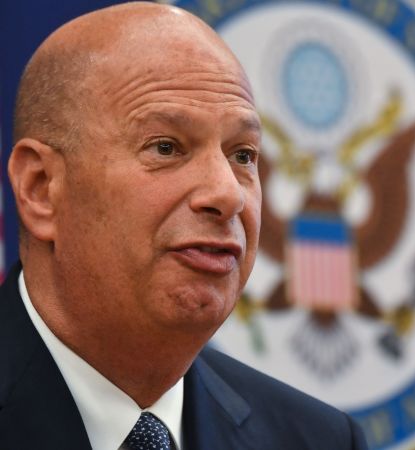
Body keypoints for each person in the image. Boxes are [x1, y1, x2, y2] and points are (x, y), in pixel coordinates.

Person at [0, 2, 368, 449]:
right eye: (166, 148)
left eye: (243, 155)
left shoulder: (319, 440)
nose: (228, 194)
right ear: (41, 189)